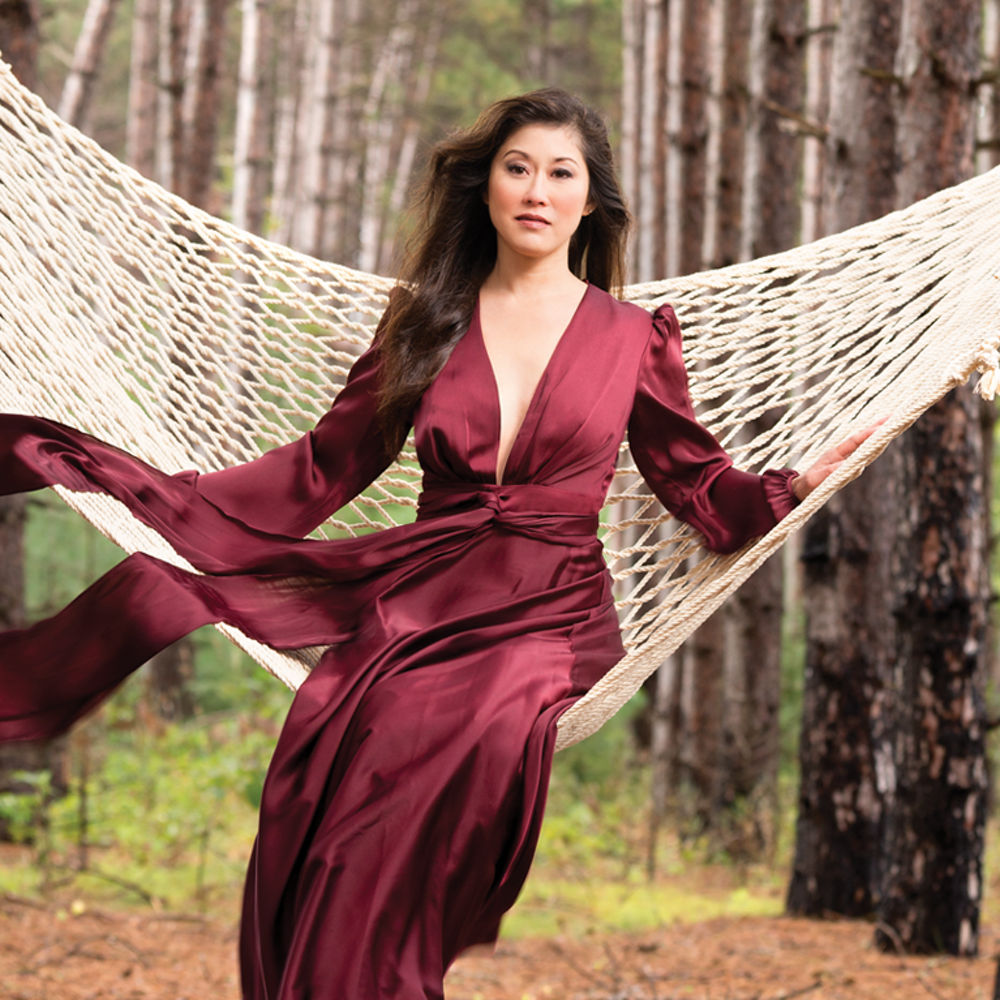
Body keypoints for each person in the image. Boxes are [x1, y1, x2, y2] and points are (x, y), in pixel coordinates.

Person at [0, 88, 870, 998]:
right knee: (328, 780)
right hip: (417, 604)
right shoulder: (425, 321)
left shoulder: (631, 337)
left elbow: (698, 486)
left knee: (458, 747)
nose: (537, 190)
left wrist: (794, 487)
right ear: (487, 188)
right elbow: (319, 471)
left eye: (560, 173)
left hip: (548, 619)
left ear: (590, 200)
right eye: (517, 167)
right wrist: (154, 498)